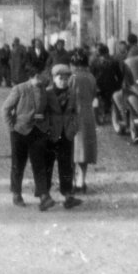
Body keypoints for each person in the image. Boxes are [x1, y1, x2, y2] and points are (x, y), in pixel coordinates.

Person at [2, 67, 52, 210]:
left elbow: (46, 110)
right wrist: (12, 127)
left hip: (38, 132)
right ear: (36, 75)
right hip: (20, 132)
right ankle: (16, 193)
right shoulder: (20, 89)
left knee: (39, 164)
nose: (47, 77)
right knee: (18, 164)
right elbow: (5, 108)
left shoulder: (44, 89)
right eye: (45, 74)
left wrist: (45, 125)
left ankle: (43, 195)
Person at [44, 63, 82, 210]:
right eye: (60, 78)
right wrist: (46, 130)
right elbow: (43, 113)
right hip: (51, 134)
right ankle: (45, 195)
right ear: (54, 78)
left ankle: (67, 195)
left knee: (66, 165)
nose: (63, 81)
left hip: (66, 134)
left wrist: (73, 129)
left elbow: (77, 113)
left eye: (66, 78)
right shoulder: (47, 93)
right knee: (48, 164)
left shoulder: (73, 93)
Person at [68, 49, 98, 193]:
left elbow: (69, 97)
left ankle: (73, 182)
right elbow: (93, 95)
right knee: (85, 150)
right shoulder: (91, 77)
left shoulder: (72, 77)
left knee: (72, 149)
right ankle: (82, 181)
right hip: (88, 115)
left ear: (74, 64)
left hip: (74, 115)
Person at [92, 44, 122, 126]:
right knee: (111, 101)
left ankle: (102, 116)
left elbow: (92, 74)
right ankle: (112, 115)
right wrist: (119, 84)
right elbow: (119, 75)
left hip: (99, 85)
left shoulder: (95, 62)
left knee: (99, 101)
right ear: (107, 52)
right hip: (111, 85)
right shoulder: (114, 61)